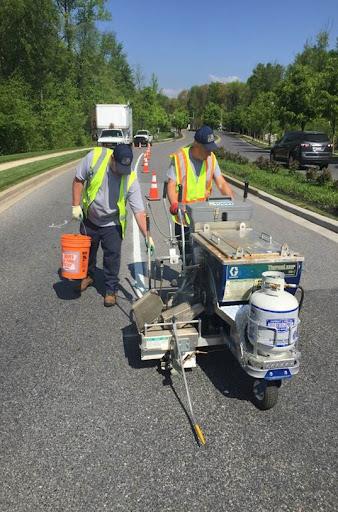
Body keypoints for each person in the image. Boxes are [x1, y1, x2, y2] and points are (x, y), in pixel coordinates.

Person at [72, 144, 154, 307]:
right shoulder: (95, 157)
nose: (121, 172)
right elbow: (78, 179)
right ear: (112, 159)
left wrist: (147, 236)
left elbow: (138, 210)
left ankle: (110, 289)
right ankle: (88, 275)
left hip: (112, 222)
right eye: (119, 167)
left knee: (112, 257)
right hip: (91, 218)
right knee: (87, 252)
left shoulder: (130, 177)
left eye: (126, 168)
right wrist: (75, 205)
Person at [166, 125, 234, 251]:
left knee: (204, 258)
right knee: (188, 259)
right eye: (207, 149)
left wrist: (231, 201)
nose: (209, 153)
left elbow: (221, 183)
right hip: (184, 220)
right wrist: (174, 204)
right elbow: (171, 184)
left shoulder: (211, 159)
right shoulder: (179, 158)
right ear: (197, 145)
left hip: (204, 219)